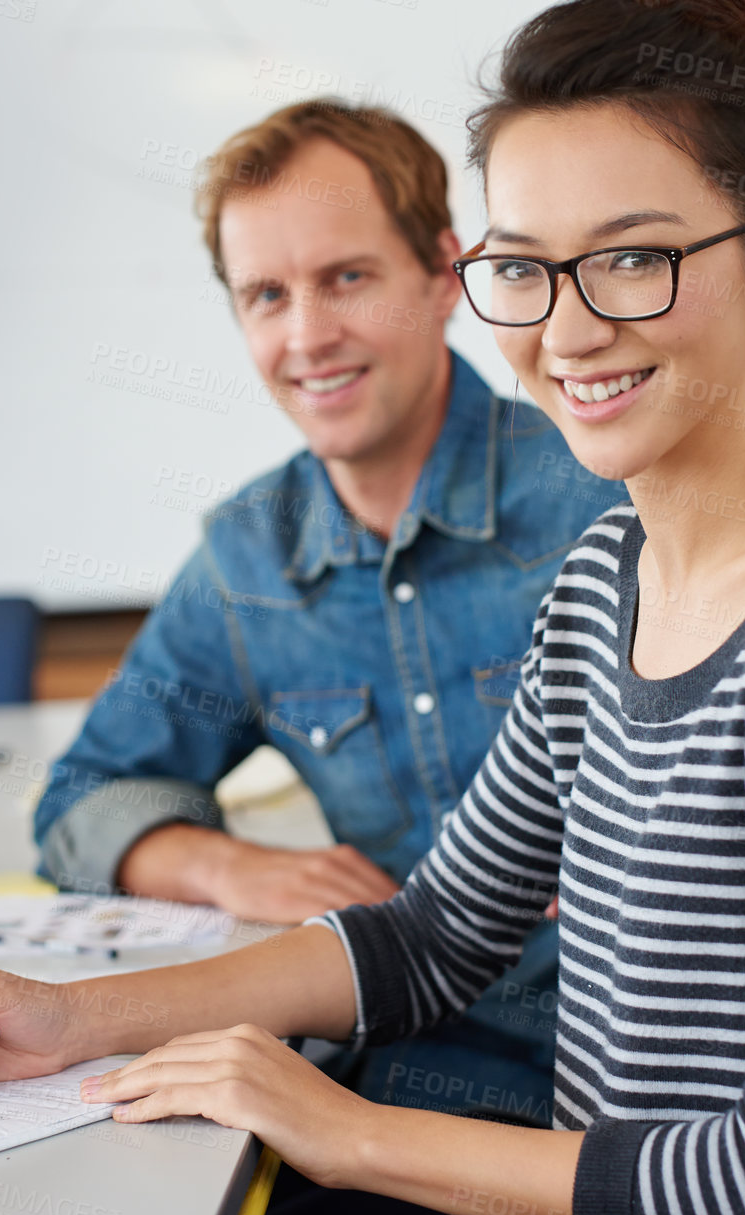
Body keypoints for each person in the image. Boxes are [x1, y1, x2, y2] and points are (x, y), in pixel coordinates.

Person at [0, 0, 745, 1215]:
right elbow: (435, 936)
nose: (564, 328)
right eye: (528, 268)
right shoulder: (612, 574)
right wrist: (77, 1020)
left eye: (630, 257)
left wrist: (346, 1132)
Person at [31, 100, 627, 1120]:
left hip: (622, 1096)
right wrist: (229, 867)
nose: (307, 336)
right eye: (267, 294)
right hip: (389, 1071)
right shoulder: (250, 554)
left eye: (345, 277)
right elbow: (78, 801)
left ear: (444, 276)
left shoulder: (601, 491)